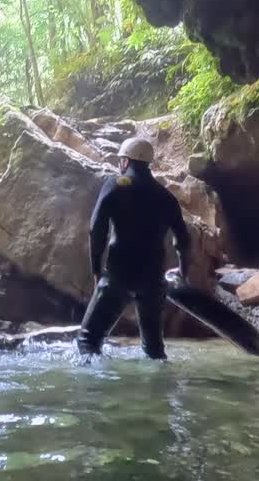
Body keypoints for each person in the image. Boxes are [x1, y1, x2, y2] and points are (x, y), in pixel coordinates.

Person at [76, 137, 191, 360]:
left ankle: (92, 390)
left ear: (125, 161)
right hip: (153, 281)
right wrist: (183, 273)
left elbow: (96, 230)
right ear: (148, 163)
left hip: (119, 275)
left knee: (88, 342)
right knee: (154, 351)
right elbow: (183, 241)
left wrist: (97, 272)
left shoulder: (115, 185)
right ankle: (160, 391)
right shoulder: (166, 197)